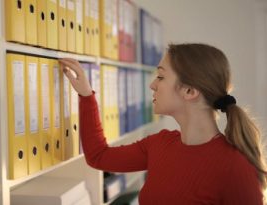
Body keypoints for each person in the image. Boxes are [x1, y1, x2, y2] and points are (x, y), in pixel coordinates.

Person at [59, 43, 267, 205]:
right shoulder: (160, 144)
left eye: (160, 77)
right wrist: (86, 95)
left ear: (189, 92)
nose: (152, 85)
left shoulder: (235, 167)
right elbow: (99, 157)